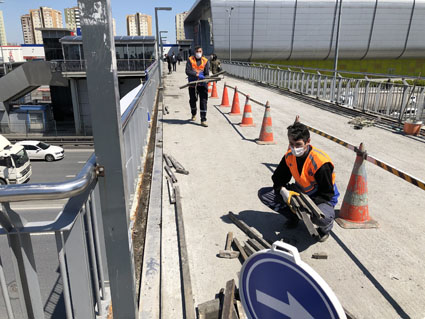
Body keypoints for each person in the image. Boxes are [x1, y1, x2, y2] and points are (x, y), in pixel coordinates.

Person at [257, 120, 340, 242]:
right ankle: (294, 217)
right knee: (264, 195)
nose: (294, 148)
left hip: (322, 199)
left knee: (322, 217)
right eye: (291, 143)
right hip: (300, 193)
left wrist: (306, 206)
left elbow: (327, 194)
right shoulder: (290, 156)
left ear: (308, 142)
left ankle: (325, 228)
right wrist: (283, 191)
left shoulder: (321, 162)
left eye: (298, 144)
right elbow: (278, 178)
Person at [185, 46, 210, 127]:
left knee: (203, 101)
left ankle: (203, 119)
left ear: (202, 52)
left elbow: (206, 73)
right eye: (197, 51)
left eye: (200, 51)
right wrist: (196, 74)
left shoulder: (205, 61)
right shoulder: (190, 59)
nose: (198, 53)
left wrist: (205, 78)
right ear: (194, 52)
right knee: (193, 100)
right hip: (192, 83)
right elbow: (187, 71)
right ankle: (193, 113)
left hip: (202, 84)